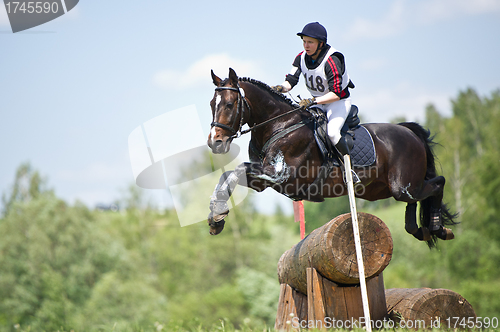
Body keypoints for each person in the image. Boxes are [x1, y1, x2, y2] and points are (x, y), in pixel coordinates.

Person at [273, 21, 359, 182]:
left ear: (321, 44)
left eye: (310, 42)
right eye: (304, 41)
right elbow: (291, 81)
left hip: (338, 102)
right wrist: (280, 88)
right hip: (317, 103)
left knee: (332, 133)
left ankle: (349, 169)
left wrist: (313, 100)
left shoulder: (332, 59)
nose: (306, 45)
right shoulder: (301, 58)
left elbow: (337, 93)